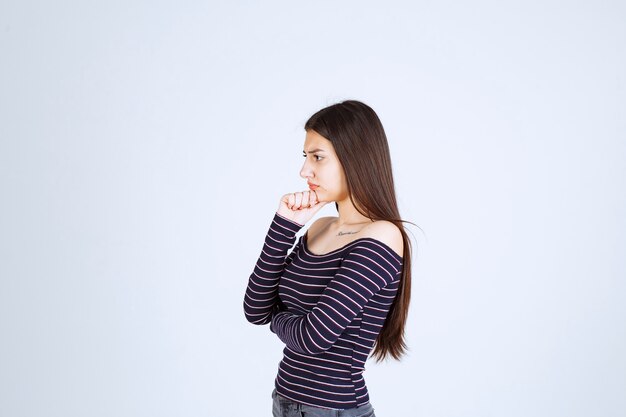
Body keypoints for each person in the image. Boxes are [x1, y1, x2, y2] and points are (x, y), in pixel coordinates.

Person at [244, 100, 413, 417]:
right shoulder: (318, 227)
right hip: (284, 400)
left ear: (355, 159)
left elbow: (312, 337)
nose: (304, 171)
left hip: (332, 409)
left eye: (318, 158)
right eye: (305, 157)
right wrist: (284, 226)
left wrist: (277, 318)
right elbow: (255, 310)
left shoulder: (382, 236)